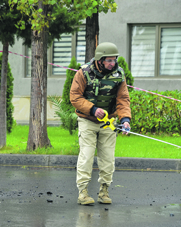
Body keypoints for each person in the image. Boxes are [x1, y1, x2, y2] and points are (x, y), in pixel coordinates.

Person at [70, 42, 131, 205]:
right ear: (100, 60)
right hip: (87, 120)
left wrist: (125, 119)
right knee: (86, 156)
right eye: (109, 60)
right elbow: (75, 97)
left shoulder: (119, 75)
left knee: (108, 159)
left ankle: (104, 191)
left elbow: (123, 99)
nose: (112, 63)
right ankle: (83, 192)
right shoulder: (83, 73)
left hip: (109, 122)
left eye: (114, 60)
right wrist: (92, 109)